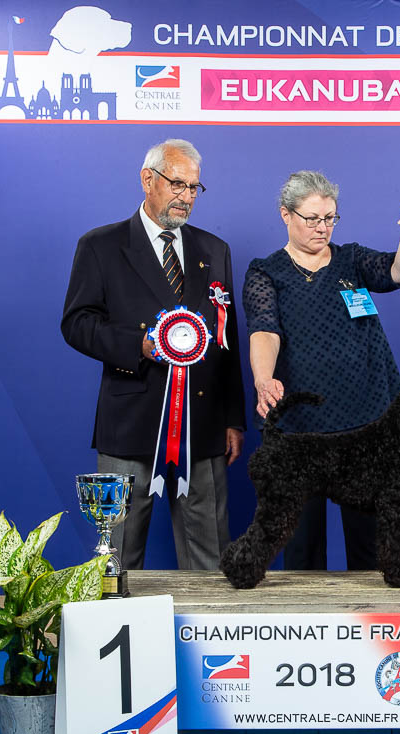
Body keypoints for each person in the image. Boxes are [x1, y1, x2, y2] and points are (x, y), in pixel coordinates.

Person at [62, 138, 246, 570]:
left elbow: (227, 341)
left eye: (194, 188)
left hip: (203, 426)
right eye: (177, 184)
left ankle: (207, 621)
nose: (186, 196)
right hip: (128, 425)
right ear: (148, 179)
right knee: (117, 558)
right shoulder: (100, 245)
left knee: (210, 559)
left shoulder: (215, 250)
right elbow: (77, 323)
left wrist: (233, 419)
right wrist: (139, 344)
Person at [243, 170, 400, 571]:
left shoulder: (352, 259)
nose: (322, 227)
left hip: (369, 422)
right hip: (303, 429)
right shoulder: (266, 271)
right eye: (312, 218)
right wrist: (263, 378)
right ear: (286, 214)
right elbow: (264, 330)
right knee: (302, 549)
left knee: (372, 547)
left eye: (330, 218)